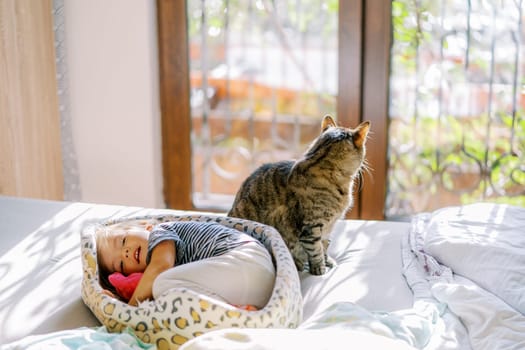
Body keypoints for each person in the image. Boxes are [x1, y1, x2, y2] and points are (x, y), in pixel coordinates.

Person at [96, 220, 275, 309]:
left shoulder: (161, 232)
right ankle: (237, 313)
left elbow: (160, 266)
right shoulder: (181, 276)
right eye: (120, 264)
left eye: (123, 241)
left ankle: (234, 316)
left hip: (248, 260)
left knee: (161, 284)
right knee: (169, 294)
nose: (125, 253)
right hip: (253, 290)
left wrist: (130, 309)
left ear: (146, 226)